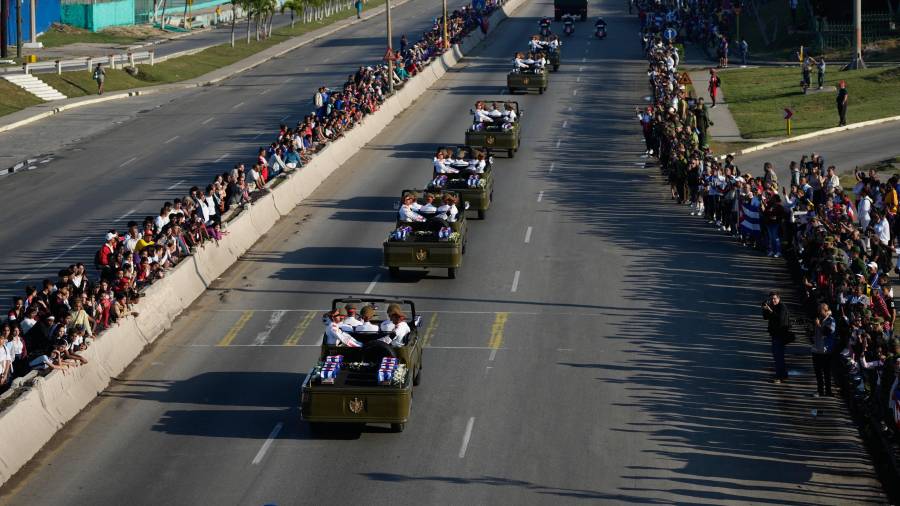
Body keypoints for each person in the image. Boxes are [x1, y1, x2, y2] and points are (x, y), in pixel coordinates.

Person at [762, 291, 792, 383]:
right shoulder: (773, 306)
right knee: (777, 356)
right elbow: (765, 317)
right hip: (775, 335)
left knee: (778, 356)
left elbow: (779, 319)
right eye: (771, 299)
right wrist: (765, 309)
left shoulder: (782, 307)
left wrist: (770, 310)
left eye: (774, 298)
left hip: (781, 335)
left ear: (779, 298)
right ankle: (783, 374)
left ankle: (780, 376)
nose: (773, 300)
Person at [811, 302, 837, 397]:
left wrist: (818, 325)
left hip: (826, 350)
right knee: (818, 372)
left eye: (820, 310)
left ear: (825, 311)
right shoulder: (819, 319)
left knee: (827, 372)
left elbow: (827, 332)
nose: (818, 312)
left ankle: (828, 391)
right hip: (816, 349)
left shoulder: (831, 320)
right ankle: (820, 391)